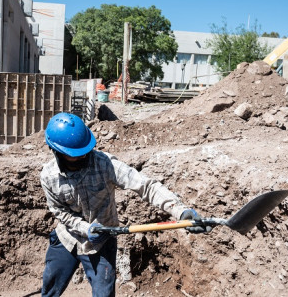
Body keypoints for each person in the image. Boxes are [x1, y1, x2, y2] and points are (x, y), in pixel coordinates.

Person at [39, 112, 210, 297]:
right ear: (58, 152)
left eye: (85, 150)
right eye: (76, 154)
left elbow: (147, 186)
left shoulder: (105, 165)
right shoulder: (48, 177)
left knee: (104, 294)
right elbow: (60, 211)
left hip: (102, 241)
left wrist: (180, 210)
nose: (84, 156)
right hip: (68, 238)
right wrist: (85, 227)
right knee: (50, 290)